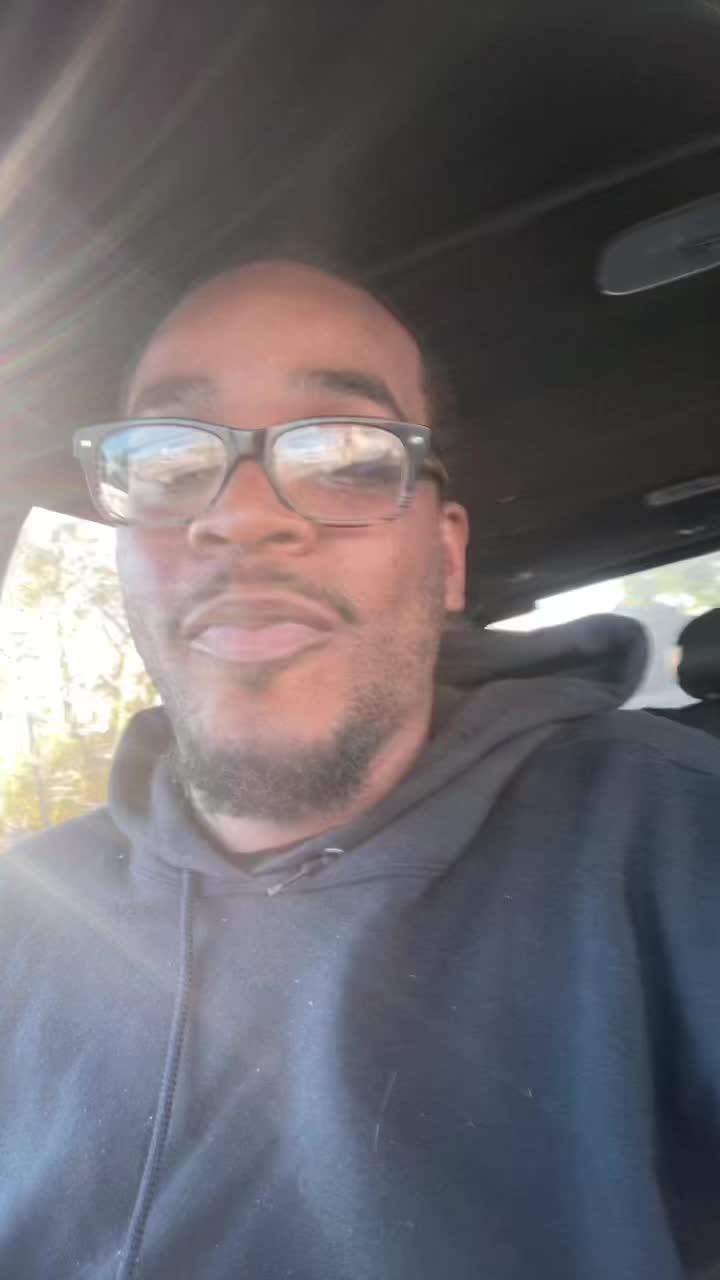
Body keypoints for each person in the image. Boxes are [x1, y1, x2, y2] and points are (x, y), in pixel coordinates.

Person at [2, 260, 720, 1280]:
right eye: (168, 459)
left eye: (347, 456)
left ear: (448, 559)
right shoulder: (24, 914)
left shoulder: (677, 844)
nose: (242, 515)